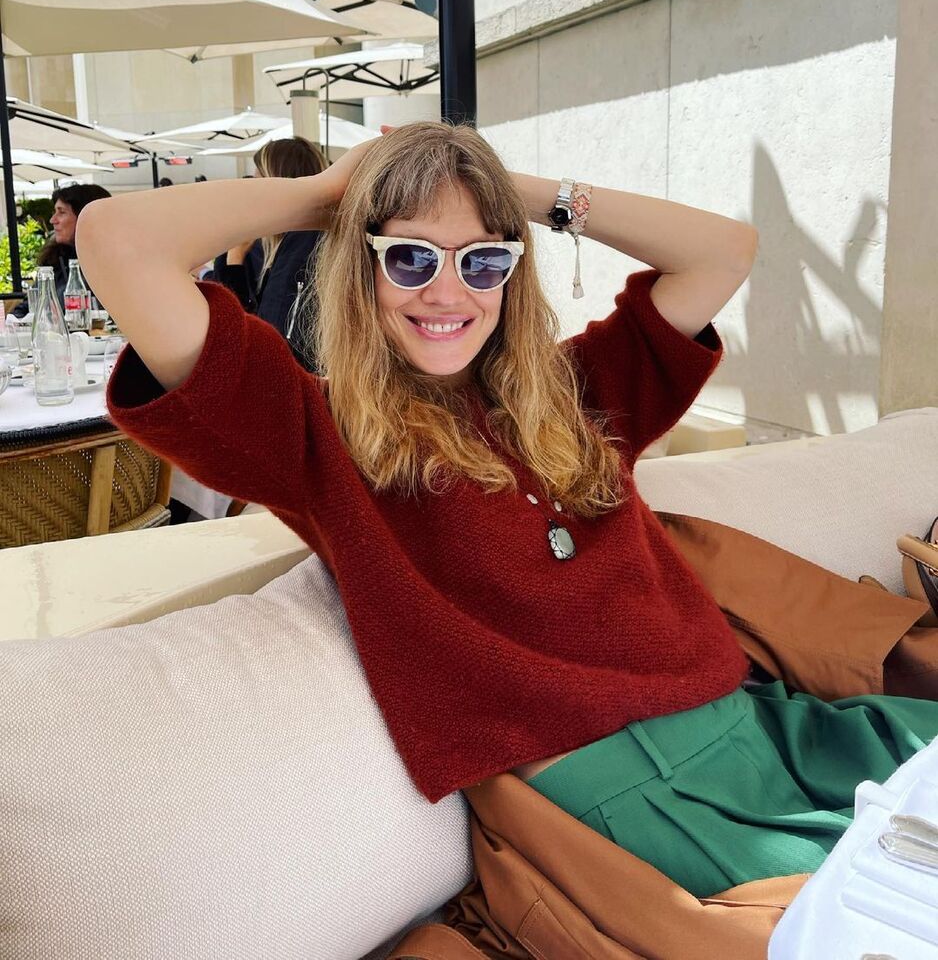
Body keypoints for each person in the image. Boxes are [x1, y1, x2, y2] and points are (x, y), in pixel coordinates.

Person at [77, 122, 938, 899]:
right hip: (627, 787)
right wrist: (338, 192)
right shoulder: (317, 435)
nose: (448, 293)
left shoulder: (575, 391)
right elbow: (118, 240)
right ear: (359, 266)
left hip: (765, 724)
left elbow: (724, 250)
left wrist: (494, 186)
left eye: (483, 262)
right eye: (409, 258)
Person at [213, 136, 327, 362]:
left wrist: (234, 261)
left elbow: (262, 339)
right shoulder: (267, 244)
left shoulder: (302, 247)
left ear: (279, 184)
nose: (253, 190)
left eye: (259, 179)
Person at [13, 182, 111, 317]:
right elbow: (26, 308)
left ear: (86, 217)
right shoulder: (56, 261)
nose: (53, 220)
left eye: (62, 212)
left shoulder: (113, 264)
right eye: (55, 212)